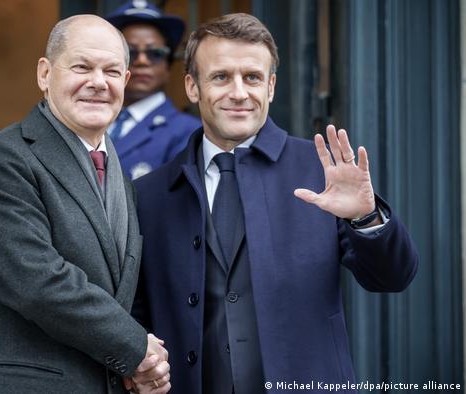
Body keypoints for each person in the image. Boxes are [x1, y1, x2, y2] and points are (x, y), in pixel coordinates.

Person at [133, 13, 419, 394]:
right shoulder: (149, 194)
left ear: (270, 87)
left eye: (252, 77)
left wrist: (365, 216)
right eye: (220, 77)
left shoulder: (320, 170)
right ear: (192, 86)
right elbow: (137, 314)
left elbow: (394, 277)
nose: (238, 92)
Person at [0, 15, 170, 394]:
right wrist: (136, 349)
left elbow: (120, 294)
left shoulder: (119, 173)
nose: (98, 83)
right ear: (44, 74)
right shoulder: (1, 160)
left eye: (112, 71)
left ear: (125, 82)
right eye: (82, 67)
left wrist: (136, 367)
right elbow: (37, 281)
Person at [105, 0, 200, 179]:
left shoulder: (188, 132)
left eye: (155, 53)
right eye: (130, 53)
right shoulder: (90, 118)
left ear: (168, 65)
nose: (142, 61)